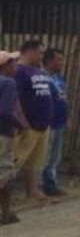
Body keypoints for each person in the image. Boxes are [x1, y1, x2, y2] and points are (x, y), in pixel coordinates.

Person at [12, 40, 54, 204]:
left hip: (43, 124)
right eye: (40, 53)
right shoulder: (19, 71)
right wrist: (22, 121)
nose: (42, 57)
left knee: (34, 162)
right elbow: (16, 99)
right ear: (30, 51)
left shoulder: (38, 71)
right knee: (15, 160)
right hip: (29, 124)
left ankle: (32, 191)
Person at [40, 47, 69, 198]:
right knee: (45, 156)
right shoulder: (42, 78)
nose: (61, 63)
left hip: (59, 122)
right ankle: (42, 186)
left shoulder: (59, 78)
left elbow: (63, 98)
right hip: (48, 123)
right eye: (58, 59)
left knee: (54, 157)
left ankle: (51, 184)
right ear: (49, 60)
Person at [0, 50, 22, 225]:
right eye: (12, 63)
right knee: (5, 174)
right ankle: (5, 213)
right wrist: (20, 125)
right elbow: (5, 112)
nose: (15, 66)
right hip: (2, 134)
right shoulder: (8, 83)